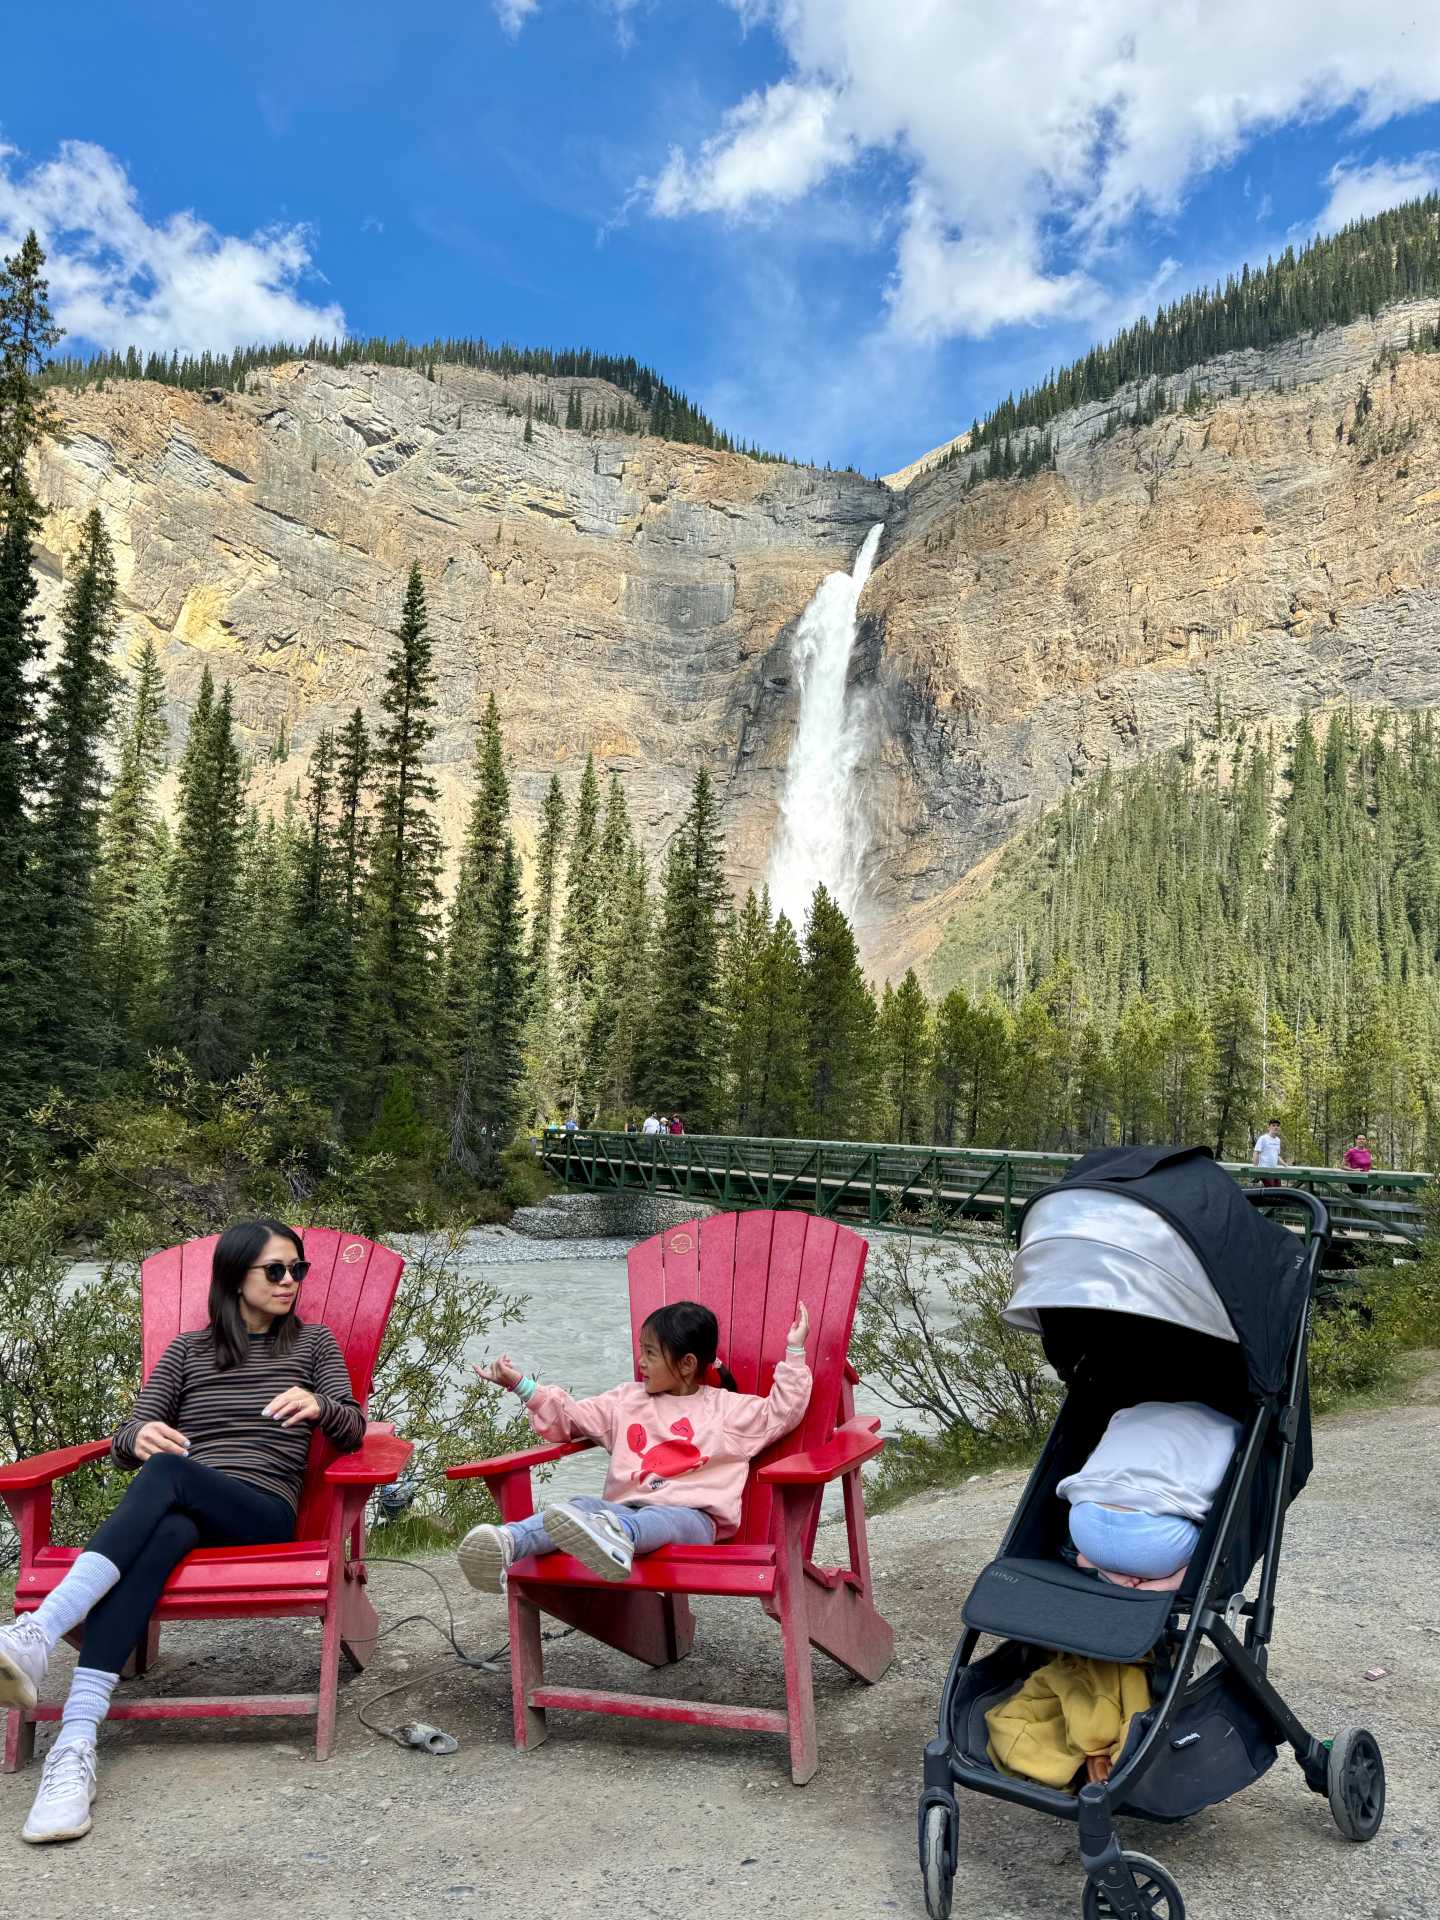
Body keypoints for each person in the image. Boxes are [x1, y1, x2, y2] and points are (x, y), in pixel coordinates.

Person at [0, 1220, 364, 1845]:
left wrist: (320, 1406)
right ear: (233, 1277)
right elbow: (127, 1438)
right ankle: (75, 1745)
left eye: (297, 1270)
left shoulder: (313, 1346)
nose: (290, 1282)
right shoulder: (188, 1353)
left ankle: (41, 1629)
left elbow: (354, 1427)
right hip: (184, 1510)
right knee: (166, 1524)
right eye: (274, 1270)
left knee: (170, 1472)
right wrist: (133, 1437)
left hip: (262, 1515)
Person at [456, 1298, 811, 1588]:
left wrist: (794, 1352)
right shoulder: (626, 1401)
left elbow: (782, 1412)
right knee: (579, 1505)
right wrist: (520, 1385)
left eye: (651, 1354)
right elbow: (572, 1417)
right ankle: (507, 1542)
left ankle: (615, 1536)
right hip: (624, 1511)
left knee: (654, 1517)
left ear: (687, 1364)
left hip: (692, 1519)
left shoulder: (725, 1410)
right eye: (641, 1351)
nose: (641, 1362)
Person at [1059, 1400, 1240, 1595]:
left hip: (1086, 1531)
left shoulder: (1127, 1414)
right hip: (1159, 1545)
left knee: (1080, 1522)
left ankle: (1089, 1562)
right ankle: (1171, 1582)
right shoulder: (1230, 1430)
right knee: (1216, 1540)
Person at [1252, 1118, 1285, 1188]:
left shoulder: (1278, 1140)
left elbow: (1277, 1156)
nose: (1276, 1127)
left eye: (1277, 1125)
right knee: (1271, 1190)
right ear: (1269, 1127)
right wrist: (1255, 1169)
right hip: (1265, 1170)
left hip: (1274, 1170)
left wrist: (1286, 1165)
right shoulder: (1263, 1138)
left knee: (1279, 1189)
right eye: (1273, 1125)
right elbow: (1256, 1153)